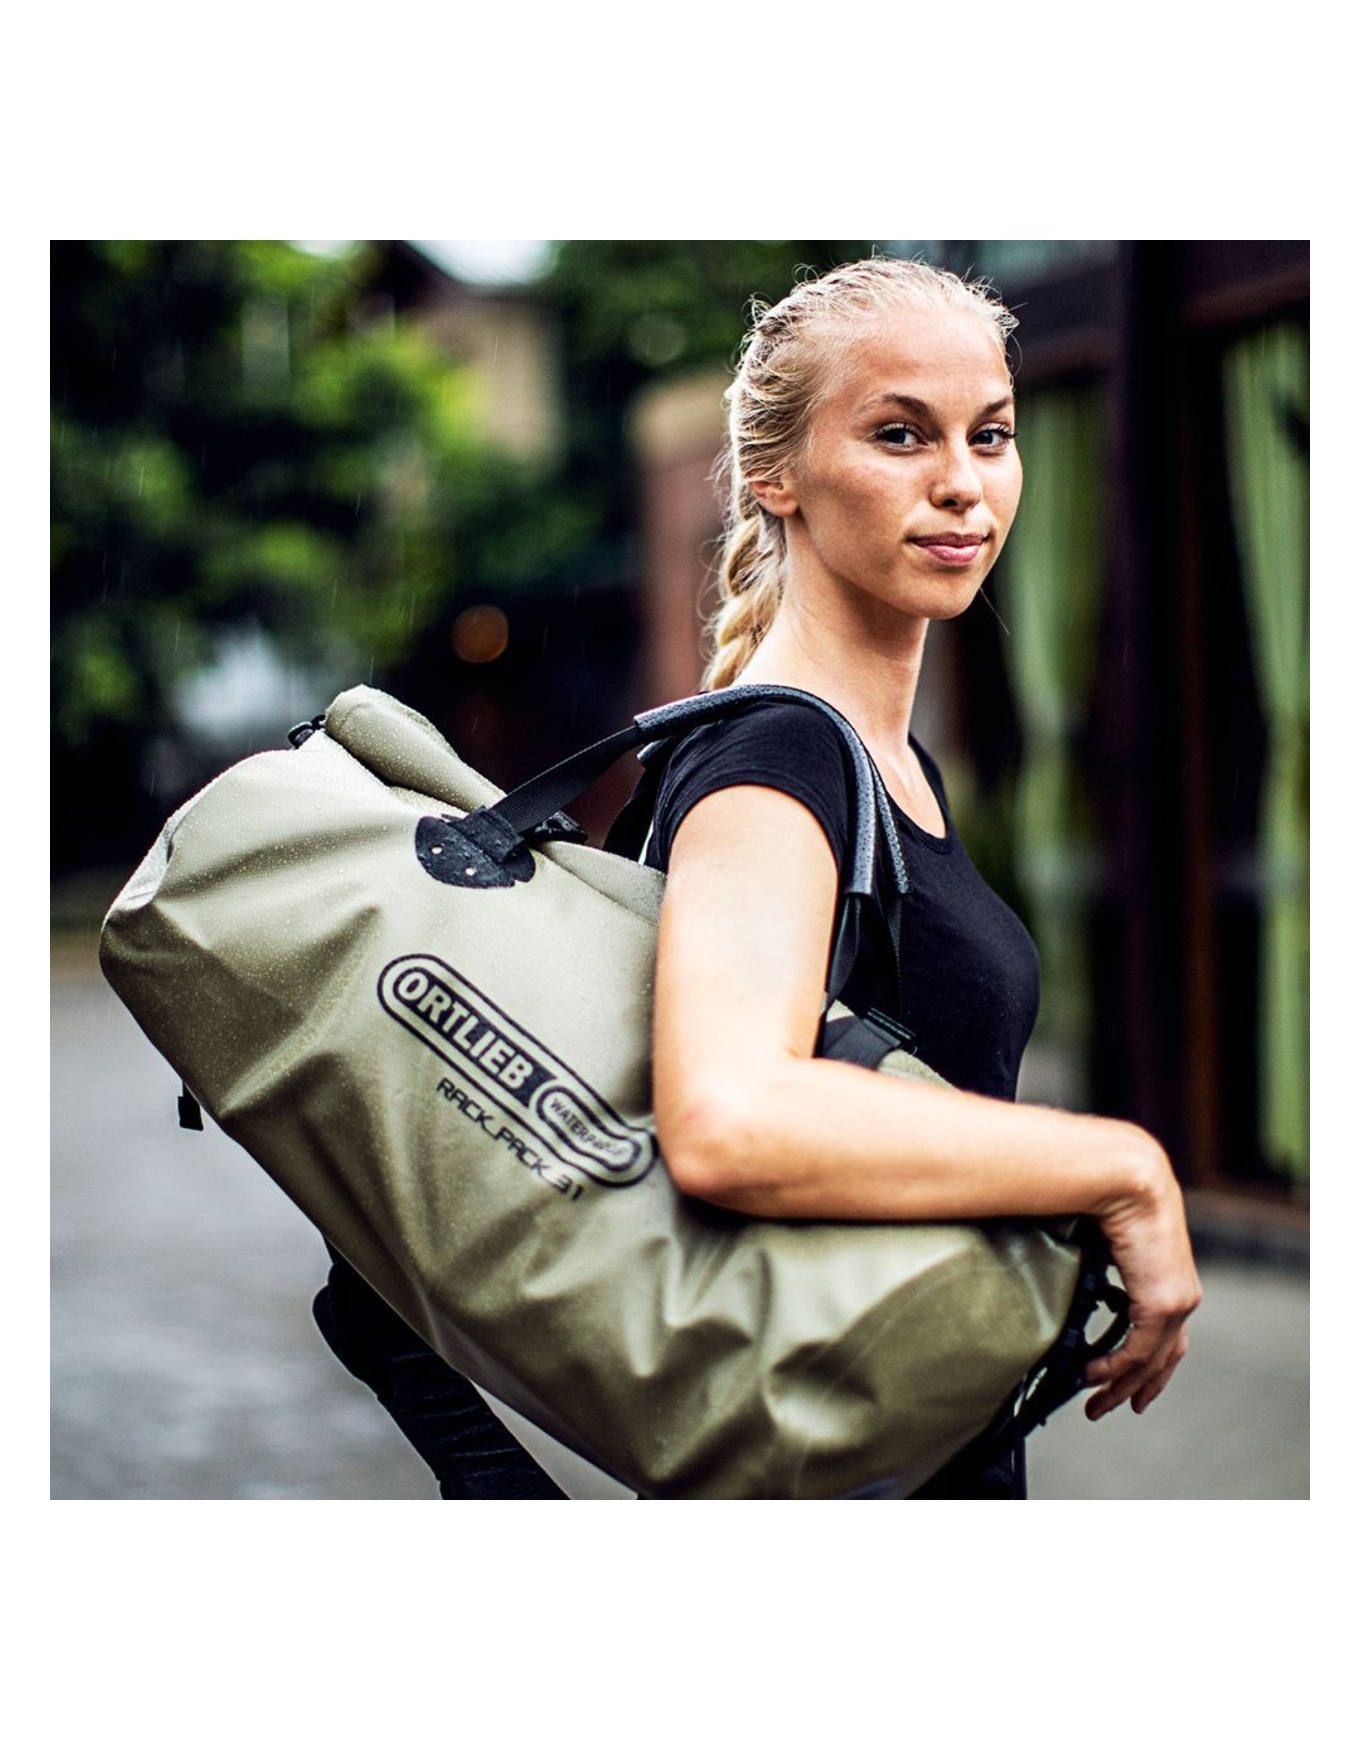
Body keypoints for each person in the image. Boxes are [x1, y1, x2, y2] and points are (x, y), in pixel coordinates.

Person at [312, 254, 1202, 1499]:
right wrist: (1122, 1167)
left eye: (990, 434)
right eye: (900, 434)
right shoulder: (777, 763)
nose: (962, 481)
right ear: (774, 474)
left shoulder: (883, 765)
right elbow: (730, 1121)